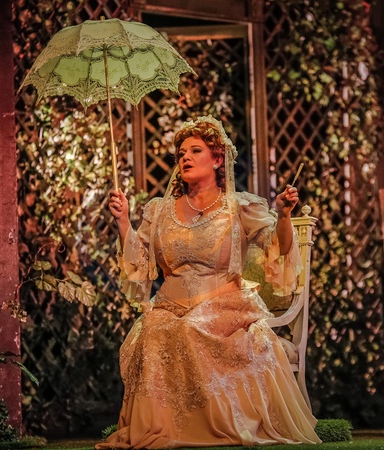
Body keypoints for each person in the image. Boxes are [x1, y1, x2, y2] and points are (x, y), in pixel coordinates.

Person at [99, 115, 321, 448]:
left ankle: (213, 428)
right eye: (181, 154)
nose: (185, 158)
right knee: (156, 332)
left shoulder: (239, 207)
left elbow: (277, 248)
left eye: (195, 150)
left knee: (191, 329)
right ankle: (165, 428)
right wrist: (123, 222)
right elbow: (139, 265)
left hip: (224, 312)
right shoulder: (159, 211)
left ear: (217, 159)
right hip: (169, 309)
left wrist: (284, 216)